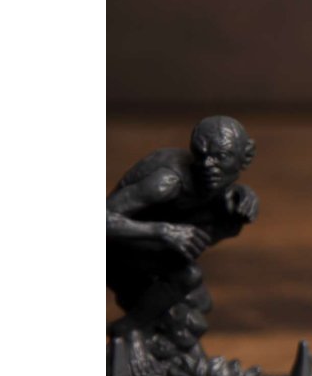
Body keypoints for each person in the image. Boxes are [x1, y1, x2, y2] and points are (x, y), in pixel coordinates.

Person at [106, 115, 258, 315]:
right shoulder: (166, 182)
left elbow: (203, 239)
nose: (207, 164)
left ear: (245, 156)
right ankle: (129, 328)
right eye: (201, 155)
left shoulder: (218, 183)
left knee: (199, 306)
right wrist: (165, 231)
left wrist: (233, 216)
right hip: (118, 248)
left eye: (221, 156)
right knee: (188, 277)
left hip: (152, 246)